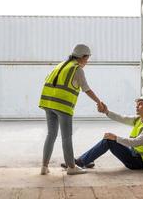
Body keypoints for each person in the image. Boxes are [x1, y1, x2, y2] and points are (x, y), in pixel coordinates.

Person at [39, 44, 104, 175]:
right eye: (87, 58)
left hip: (47, 103)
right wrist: (99, 102)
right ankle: (71, 167)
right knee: (66, 137)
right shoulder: (77, 69)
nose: (87, 62)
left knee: (51, 135)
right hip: (62, 106)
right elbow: (86, 89)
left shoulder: (61, 65)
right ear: (83, 57)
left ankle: (44, 167)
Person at [62, 95, 143, 170]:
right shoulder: (139, 119)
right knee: (108, 138)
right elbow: (121, 118)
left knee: (109, 140)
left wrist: (116, 138)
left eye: (140, 104)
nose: (137, 107)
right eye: (136, 104)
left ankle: (79, 163)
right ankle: (85, 160)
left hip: (138, 162)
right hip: (133, 154)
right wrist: (106, 111)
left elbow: (136, 142)